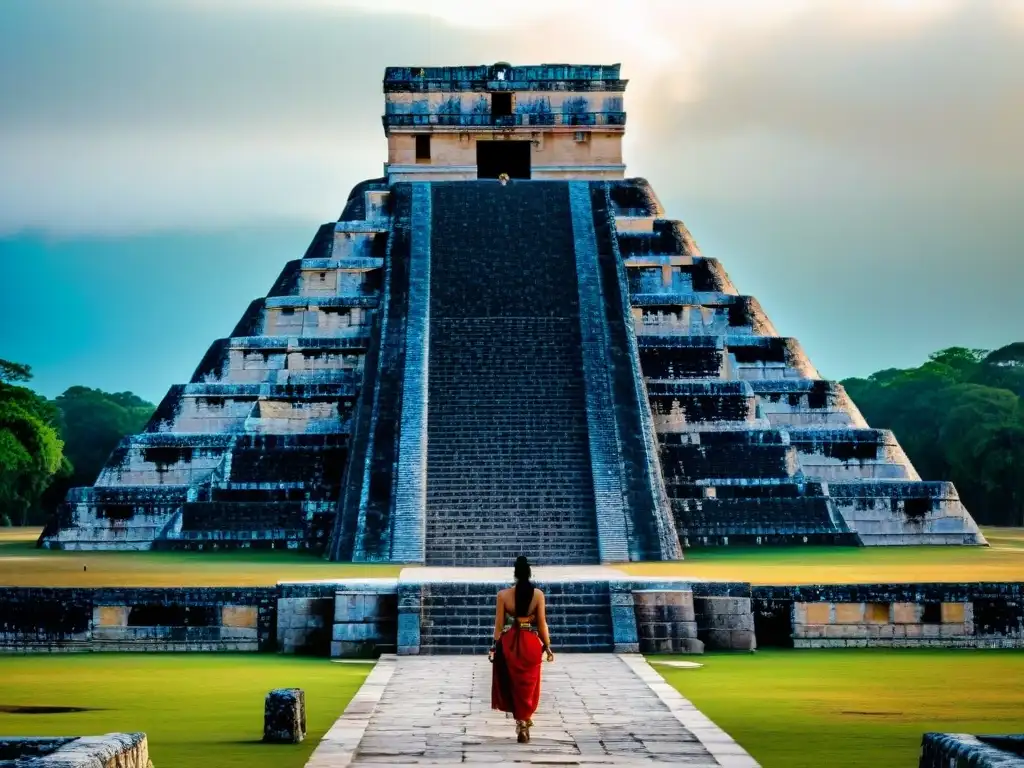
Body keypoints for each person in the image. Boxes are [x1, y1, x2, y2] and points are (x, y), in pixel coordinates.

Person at [489, 555, 554, 744]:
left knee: (514, 685)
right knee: (529, 686)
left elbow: (499, 626)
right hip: (531, 643)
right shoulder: (538, 595)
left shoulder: (503, 595)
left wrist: (493, 646)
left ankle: (521, 722)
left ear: (515, 575)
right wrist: (547, 646)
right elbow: (542, 624)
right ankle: (526, 719)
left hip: (510, 644)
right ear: (529, 573)